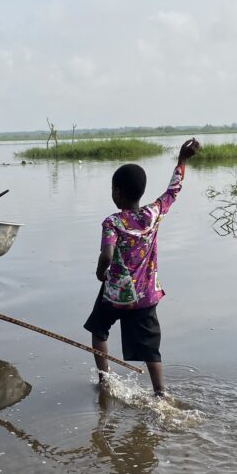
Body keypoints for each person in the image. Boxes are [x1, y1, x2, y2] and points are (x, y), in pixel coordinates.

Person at [83, 138, 200, 397]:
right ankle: (160, 392)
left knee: (99, 330)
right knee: (151, 348)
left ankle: (105, 381)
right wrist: (182, 159)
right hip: (146, 295)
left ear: (118, 192)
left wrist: (100, 273)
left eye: (113, 190)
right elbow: (173, 191)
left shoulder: (113, 222)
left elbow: (107, 254)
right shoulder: (153, 214)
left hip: (117, 295)